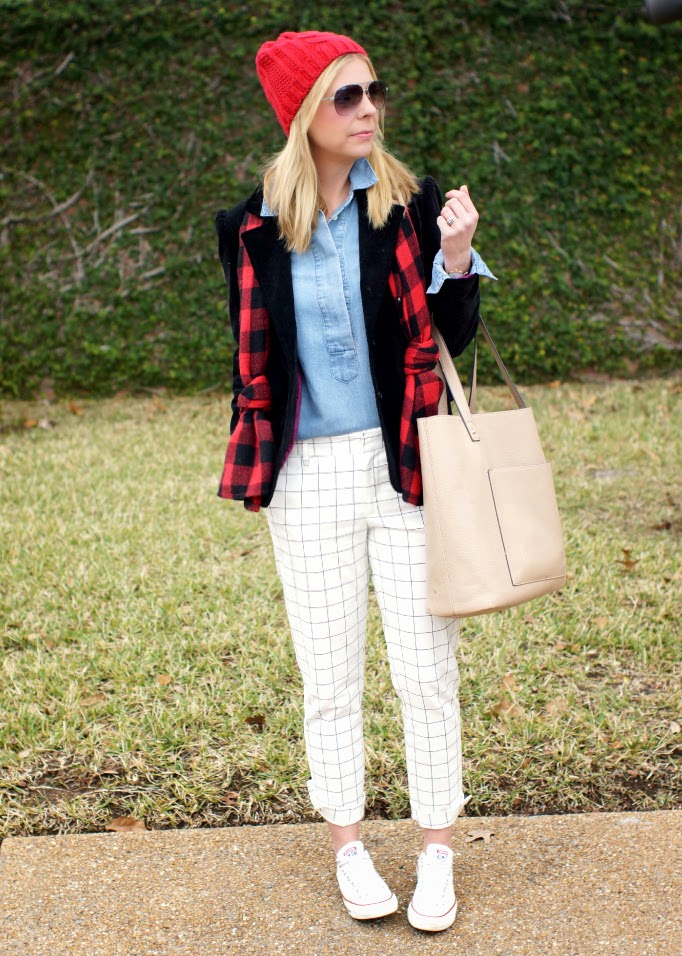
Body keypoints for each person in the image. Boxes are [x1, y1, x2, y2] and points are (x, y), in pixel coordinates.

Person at [214, 30, 497, 933]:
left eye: (373, 90)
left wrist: (457, 260)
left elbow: (450, 340)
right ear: (304, 115)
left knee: (426, 672)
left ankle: (437, 854)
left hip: (406, 464)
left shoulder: (409, 208)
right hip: (305, 479)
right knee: (329, 678)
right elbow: (252, 359)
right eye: (346, 96)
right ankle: (347, 846)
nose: (369, 108)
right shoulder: (250, 225)